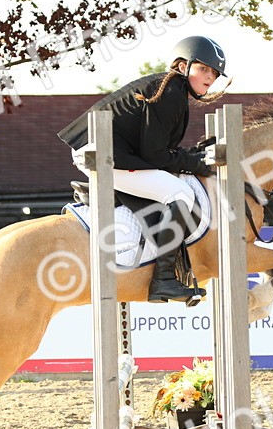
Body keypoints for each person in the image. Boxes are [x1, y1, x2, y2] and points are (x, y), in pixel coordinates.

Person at [58, 36, 229, 302]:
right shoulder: (170, 92)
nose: (210, 77)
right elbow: (156, 155)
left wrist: (190, 160)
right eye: (204, 69)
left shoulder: (170, 89)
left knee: (170, 184)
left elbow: (158, 151)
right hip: (103, 153)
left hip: (106, 150)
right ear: (183, 66)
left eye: (215, 73)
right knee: (181, 193)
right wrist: (198, 164)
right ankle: (163, 280)